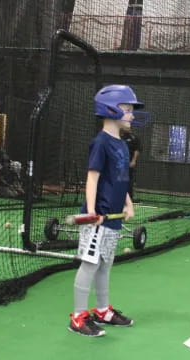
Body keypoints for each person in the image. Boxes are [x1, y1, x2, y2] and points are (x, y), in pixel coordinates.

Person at [69, 84, 145, 337]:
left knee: (105, 265)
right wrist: (91, 212)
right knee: (90, 265)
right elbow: (93, 178)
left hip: (113, 218)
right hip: (98, 218)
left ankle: (102, 311)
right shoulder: (100, 143)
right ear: (111, 110)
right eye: (128, 109)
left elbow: (120, 178)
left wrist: (128, 203)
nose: (132, 115)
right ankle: (79, 317)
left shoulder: (122, 144)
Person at [121, 128, 142, 201]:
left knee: (130, 180)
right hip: (120, 163)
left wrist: (133, 161)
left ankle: (130, 197)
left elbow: (137, 150)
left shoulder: (134, 138)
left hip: (130, 163)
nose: (128, 128)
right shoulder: (120, 137)